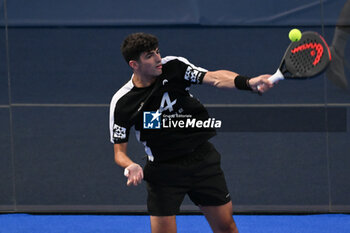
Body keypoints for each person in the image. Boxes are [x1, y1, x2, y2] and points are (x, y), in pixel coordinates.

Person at [109, 32, 274, 233]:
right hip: (163, 171)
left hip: (202, 161)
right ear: (134, 64)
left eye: (158, 52)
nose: (158, 59)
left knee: (226, 227)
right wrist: (131, 165)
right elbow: (119, 153)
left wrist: (247, 82)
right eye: (149, 56)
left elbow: (214, 78)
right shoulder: (123, 102)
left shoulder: (174, 67)